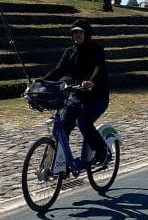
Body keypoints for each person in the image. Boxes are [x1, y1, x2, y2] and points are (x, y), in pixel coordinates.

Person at [43, 19, 111, 168]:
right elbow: (59, 70)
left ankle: (102, 152)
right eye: (74, 32)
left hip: (97, 97)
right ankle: (63, 166)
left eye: (80, 32)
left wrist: (91, 81)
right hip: (76, 96)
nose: (77, 35)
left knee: (83, 122)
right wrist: (41, 82)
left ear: (87, 34)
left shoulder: (96, 49)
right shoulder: (70, 52)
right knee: (63, 126)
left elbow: (99, 68)